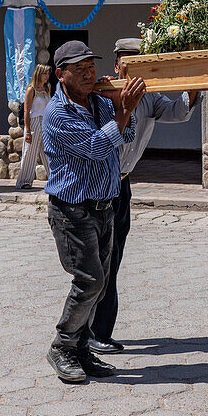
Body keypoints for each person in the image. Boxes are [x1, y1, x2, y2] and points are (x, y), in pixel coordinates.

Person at [88, 37, 199, 354]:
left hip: (122, 184)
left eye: (142, 62)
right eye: (129, 63)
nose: (136, 69)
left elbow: (179, 111)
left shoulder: (150, 96)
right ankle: (88, 331)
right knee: (97, 262)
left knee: (114, 257)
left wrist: (193, 83)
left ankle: (99, 330)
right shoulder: (102, 94)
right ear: (117, 65)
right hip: (97, 185)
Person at [42, 40, 145, 383]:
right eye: (80, 70)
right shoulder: (57, 113)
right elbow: (96, 147)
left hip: (105, 207)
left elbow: (125, 134)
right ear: (61, 75)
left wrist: (122, 109)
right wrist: (123, 112)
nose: (89, 76)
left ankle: (81, 349)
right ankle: (62, 345)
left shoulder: (99, 103)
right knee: (89, 281)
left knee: (100, 285)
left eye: (91, 68)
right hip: (73, 211)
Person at [15, 64, 51, 190]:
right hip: (34, 121)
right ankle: (24, 180)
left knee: (48, 151)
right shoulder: (31, 89)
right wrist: (28, 130)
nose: (47, 76)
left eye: (48, 73)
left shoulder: (47, 88)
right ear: (39, 74)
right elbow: (26, 110)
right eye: (45, 73)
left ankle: (54, 178)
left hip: (45, 122)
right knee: (29, 152)